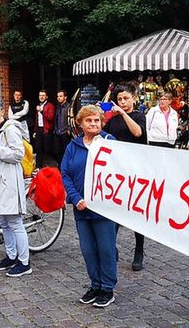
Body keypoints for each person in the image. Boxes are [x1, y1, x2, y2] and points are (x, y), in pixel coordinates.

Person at [60, 105, 117, 308]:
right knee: (88, 250)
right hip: (81, 207)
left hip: (104, 207)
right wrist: (75, 198)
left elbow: (121, 170)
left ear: (102, 123)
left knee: (106, 249)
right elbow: (65, 173)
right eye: (89, 121)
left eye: (96, 121)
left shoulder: (109, 143)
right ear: (80, 123)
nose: (93, 124)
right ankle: (95, 284)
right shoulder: (73, 146)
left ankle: (107, 288)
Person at [0, 99, 32, 276]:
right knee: (3, 223)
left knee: (15, 223)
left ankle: (24, 262)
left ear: (2, 110)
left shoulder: (10, 129)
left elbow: (18, 155)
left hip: (9, 182)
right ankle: (11, 256)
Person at [104, 88, 148, 271]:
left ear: (134, 99)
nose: (122, 101)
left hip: (136, 171)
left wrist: (123, 113)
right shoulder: (113, 120)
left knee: (135, 212)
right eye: (120, 99)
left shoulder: (138, 116)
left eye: (126, 98)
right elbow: (102, 136)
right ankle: (112, 247)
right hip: (117, 170)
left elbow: (138, 133)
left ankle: (139, 250)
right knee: (115, 210)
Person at [34, 90, 55, 156]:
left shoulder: (50, 106)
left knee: (46, 149)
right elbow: (37, 119)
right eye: (40, 95)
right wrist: (35, 130)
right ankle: (39, 165)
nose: (41, 97)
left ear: (46, 97)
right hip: (38, 129)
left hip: (46, 129)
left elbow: (50, 118)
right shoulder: (38, 105)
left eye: (43, 95)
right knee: (38, 148)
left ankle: (47, 165)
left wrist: (42, 111)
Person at [52, 90, 72, 155]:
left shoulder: (69, 106)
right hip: (57, 132)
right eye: (58, 96)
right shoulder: (58, 106)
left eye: (61, 96)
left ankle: (65, 165)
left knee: (66, 151)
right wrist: (55, 129)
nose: (59, 98)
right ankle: (60, 165)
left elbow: (71, 118)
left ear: (65, 97)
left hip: (65, 132)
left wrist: (69, 129)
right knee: (58, 151)